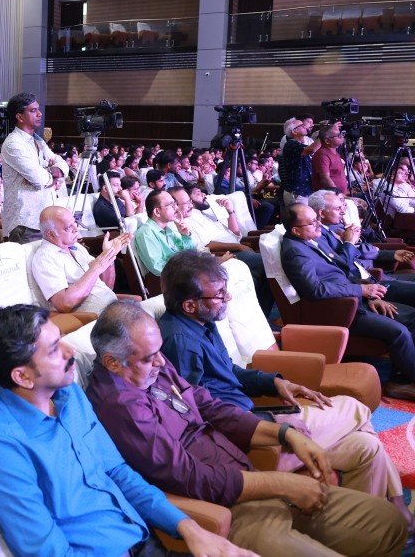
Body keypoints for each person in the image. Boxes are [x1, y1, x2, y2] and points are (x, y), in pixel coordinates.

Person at [87, 300, 408, 557]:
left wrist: (285, 434)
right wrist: (280, 484)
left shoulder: (152, 365)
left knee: (390, 523)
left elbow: (209, 406)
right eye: (149, 358)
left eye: (159, 352)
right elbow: (188, 476)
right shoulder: (119, 404)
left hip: (251, 475)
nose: (161, 362)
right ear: (113, 362)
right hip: (229, 510)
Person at [0, 304, 252, 557]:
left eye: (62, 339)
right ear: (22, 376)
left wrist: (189, 528)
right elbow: (46, 550)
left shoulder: (69, 394)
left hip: (145, 541)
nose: (70, 352)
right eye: (55, 349)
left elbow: (118, 472)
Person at [280, 203, 415, 399]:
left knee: (411, 316)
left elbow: (341, 273)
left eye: (317, 219)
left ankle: (401, 377)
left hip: (353, 299)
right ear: (295, 230)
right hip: (339, 310)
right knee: (400, 331)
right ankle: (403, 382)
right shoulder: (295, 251)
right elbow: (315, 290)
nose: (318, 224)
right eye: (312, 222)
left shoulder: (311, 240)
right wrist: (361, 290)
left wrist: (368, 294)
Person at [170, 185, 274, 316]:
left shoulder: (197, 213)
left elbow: (235, 234)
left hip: (236, 246)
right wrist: (238, 247)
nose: (190, 205)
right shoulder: (183, 223)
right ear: (174, 206)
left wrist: (230, 212)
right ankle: (264, 312)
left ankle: (260, 311)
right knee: (268, 263)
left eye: (189, 201)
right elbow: (207, 246)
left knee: (262, 271)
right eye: (186, 202)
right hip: (227, 253)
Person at [32, 205, 130, 316]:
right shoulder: (45, 258)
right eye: (68, 227)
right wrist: (96, 268)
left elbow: (107, 285)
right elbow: (64, 303)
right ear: (51, 235)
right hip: (95, 318)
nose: (76, 229)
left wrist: (109, 256)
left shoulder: (76, 247)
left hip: (113, 308)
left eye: (74, 222)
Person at [0, 93, 68, 243]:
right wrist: (51, 173)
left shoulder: (37, 140)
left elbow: (62, 164)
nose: (39, 113)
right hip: (26, 222)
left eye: (38, 109)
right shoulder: (13, 143)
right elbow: (39, 179)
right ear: (19, 116)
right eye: (33, 110)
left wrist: (56, 171)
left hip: (44, 218)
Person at [133, 190, 195, 276]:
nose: (176, 208)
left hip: (187, 270)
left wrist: (185, 235)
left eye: (175, 203)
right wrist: (187, 266)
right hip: (176, 277)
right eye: (171, 205)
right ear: (157, 212)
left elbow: (191, 252)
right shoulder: (146, 233)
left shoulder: (169, 228)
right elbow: (158, 267)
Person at [280, 118, 324, 206]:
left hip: (304, 191)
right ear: (294, 131)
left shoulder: (299, 145)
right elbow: (312, 149)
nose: (305, 127)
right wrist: (325, 133)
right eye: (301, 126)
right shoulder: (291, 144)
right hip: (297, 192)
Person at [311, 124, 347, 193]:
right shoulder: (322, 155)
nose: (342, 136)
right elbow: (325, 179)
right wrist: (338, 194)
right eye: (338, 135)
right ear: (327, 141)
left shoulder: (335, 153)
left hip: (339, 196)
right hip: (330, 196)